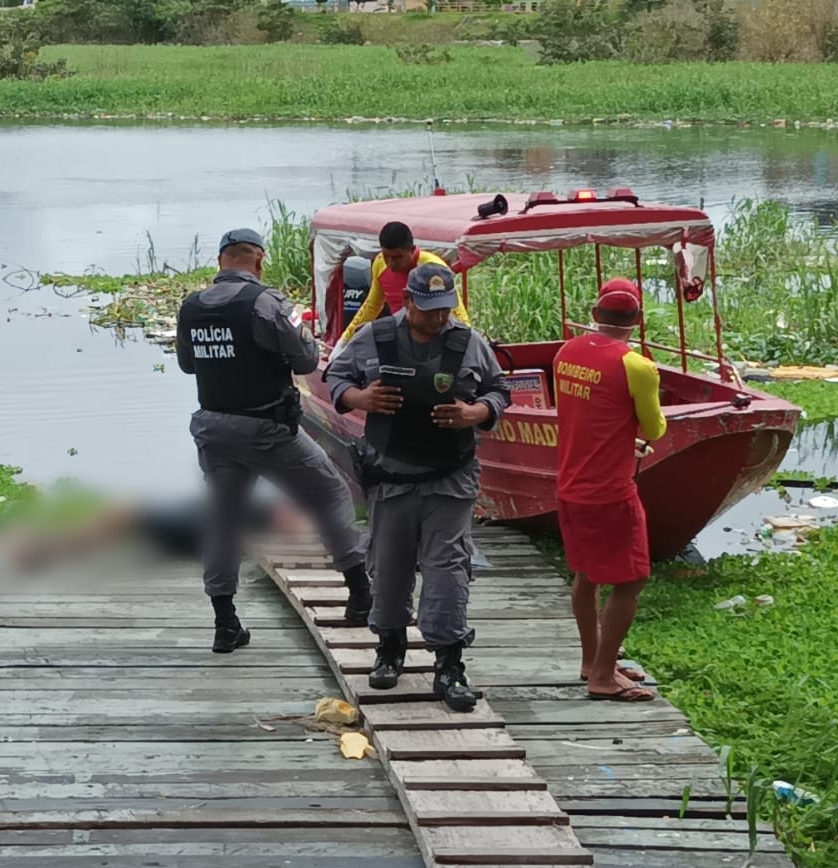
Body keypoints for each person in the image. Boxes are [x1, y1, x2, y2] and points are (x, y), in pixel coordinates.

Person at [176, 227, 373, 653]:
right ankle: (360, 594)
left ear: (220, 261)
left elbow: (188, 366)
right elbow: (305, 358)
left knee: (224, 518)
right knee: (330, 492)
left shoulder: (191, 307)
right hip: (268, 430)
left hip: (214, 429)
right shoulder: (266, 303)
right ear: (259, 260)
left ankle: (225, 623)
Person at [324, 262, 511, 713]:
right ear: (407, 301)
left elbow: (500, 389)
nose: (437, 318)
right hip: (390, 477)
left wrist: (477, 412)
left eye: (444, 309)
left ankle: (449, 663)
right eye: (428, 310)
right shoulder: (376, 337)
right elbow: (336, 377)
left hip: (451, 476)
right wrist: (359, 399)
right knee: (389, 568)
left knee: (447, 568)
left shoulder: (468, 343)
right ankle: (390, 648)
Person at [552, 277, 668, 702]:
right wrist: (640, 433)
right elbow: (654, 426)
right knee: (631, 580)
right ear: (637, 320)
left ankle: (591, 660)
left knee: (585, 575)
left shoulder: (566, 353)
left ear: (596, 315)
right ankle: (602, 676)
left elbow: (588, 415)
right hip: (610, 491)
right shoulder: (636, 365)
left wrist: (623, 437)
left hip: (569, 484)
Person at [334, 221, 470, 352]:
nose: (391, 263)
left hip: (433, 339)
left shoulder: (433, 268)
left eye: (398, 257)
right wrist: (345, 340)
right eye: (387, 256)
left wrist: (467, 340)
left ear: (412, 250)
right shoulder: (380, 264)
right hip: (400, 339)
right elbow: (372, 306)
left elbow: (455, 309)